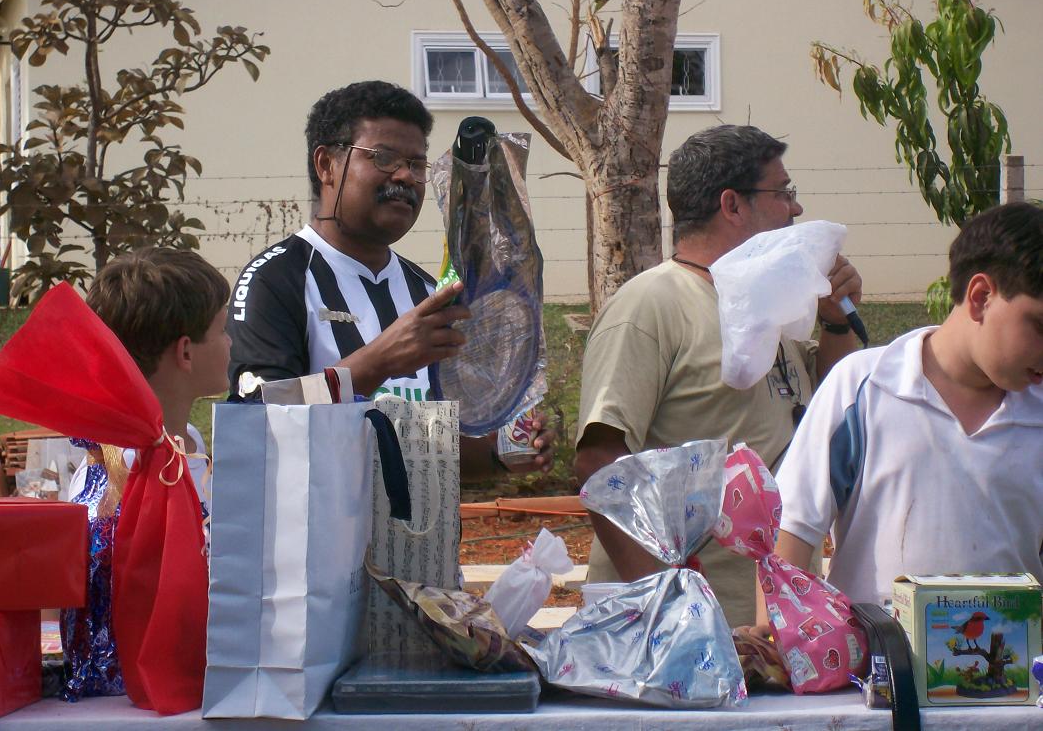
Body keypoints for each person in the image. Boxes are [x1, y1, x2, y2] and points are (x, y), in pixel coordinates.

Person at [574, 124, 864, 627]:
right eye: (782, 192)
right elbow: (601, 462)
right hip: (685, 628)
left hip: (772, 623)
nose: (795, 209)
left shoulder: (769, 300)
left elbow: (826, 411)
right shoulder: (650, 305)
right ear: (732, 205)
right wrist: (669, 607)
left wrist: (836, 322)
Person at [226, 80, 554, 478]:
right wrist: (378, 362)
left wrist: (498, 453)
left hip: (422, 522)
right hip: (320, 519)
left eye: (417, 164)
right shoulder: (275, 279)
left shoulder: (428, 291)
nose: (405, 176)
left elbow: (426, 447)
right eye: (383, 158)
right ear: (326, 165)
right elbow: (256, 423)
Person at [763, 202, 1043, 618]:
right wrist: (779, 644)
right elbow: (792, 531)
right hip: (873, 658)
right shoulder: (863, 387)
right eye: (1040, 326)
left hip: (1010, 659)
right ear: (981, 297)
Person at [68, 247, 232, 507]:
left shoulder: (187, 439)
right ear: (186, 352)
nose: (230, 341)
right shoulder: (123, 475)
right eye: (223, 330)